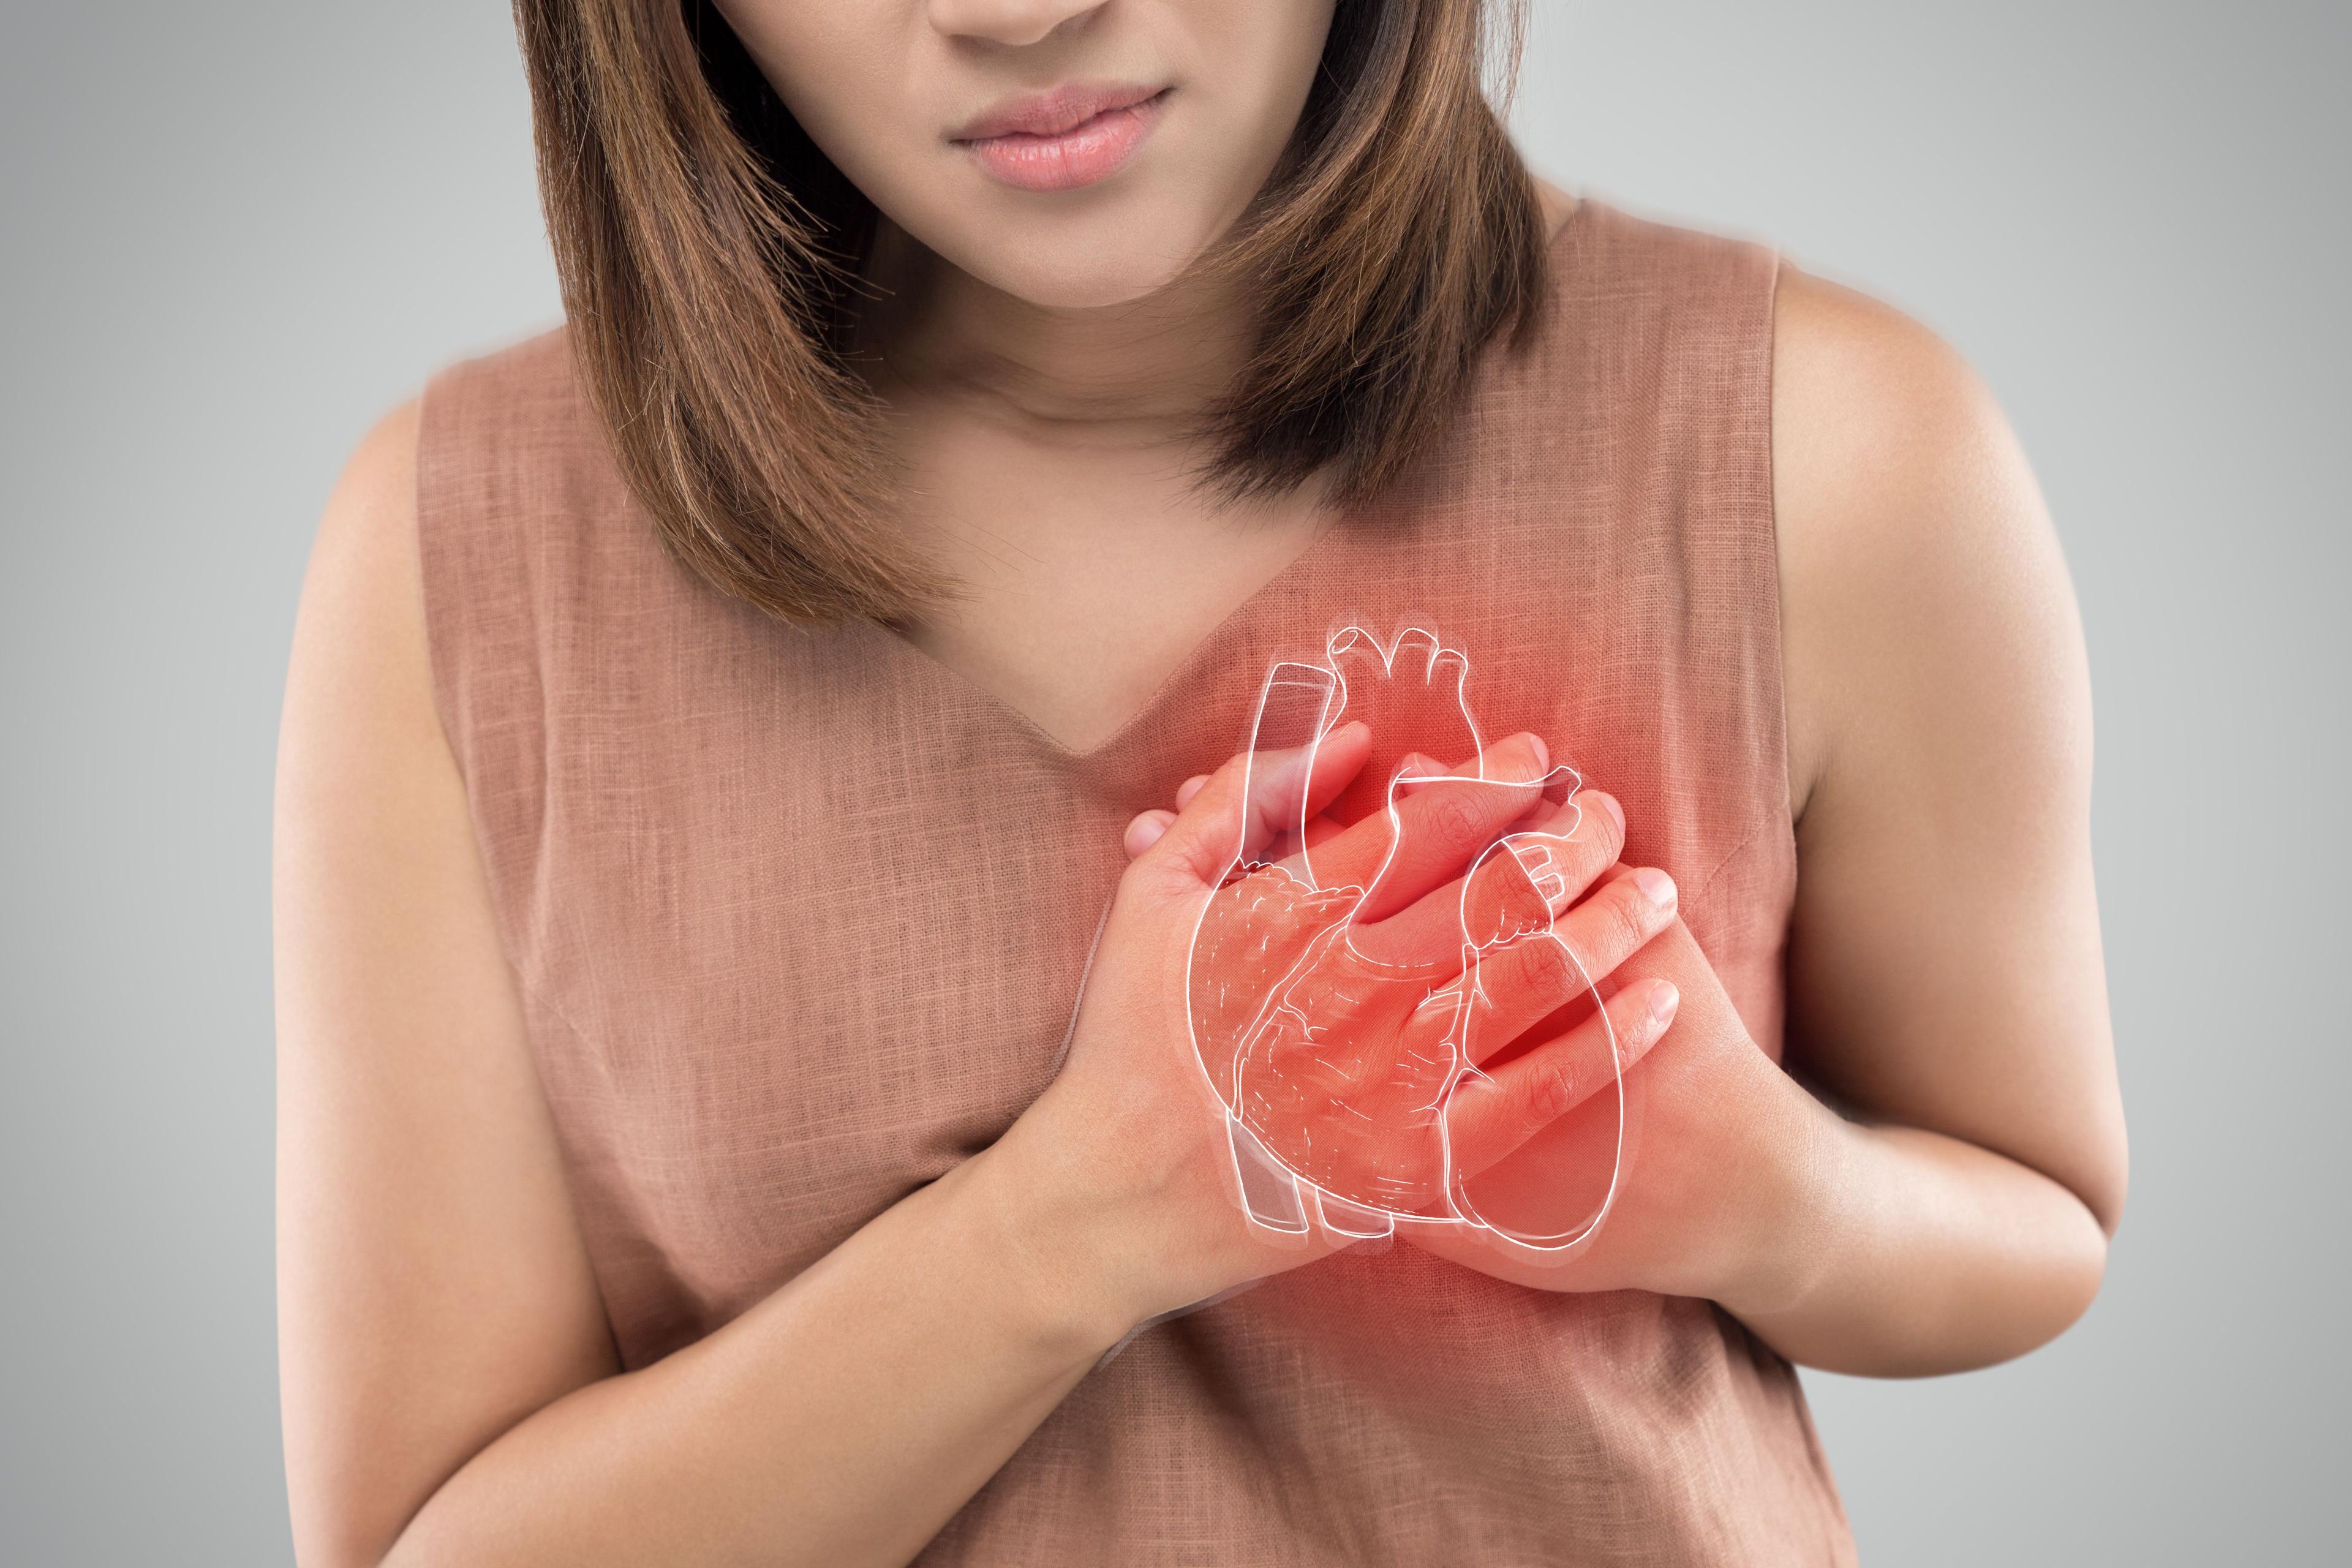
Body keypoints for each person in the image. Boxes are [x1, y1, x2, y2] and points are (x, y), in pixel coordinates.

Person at [272, 1, 2127, 1563]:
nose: (1014, 7)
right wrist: (1086, 1213)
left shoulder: (1839, 443)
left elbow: (2041, 1218)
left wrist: (1756, 1195)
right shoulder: (457, 548)